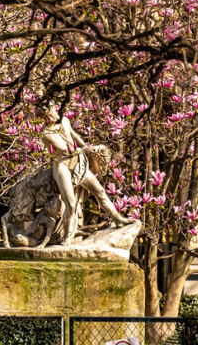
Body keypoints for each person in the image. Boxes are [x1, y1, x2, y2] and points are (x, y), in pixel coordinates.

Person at [40, 104, 133, 246]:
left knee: (100, 191)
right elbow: (65, 150)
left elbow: (74, 136)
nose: (51, 112)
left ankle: (118, 219)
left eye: (51, 108)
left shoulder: (64, 120)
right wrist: (87, 151)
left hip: (78, 163)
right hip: (62, 166)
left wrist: (86, 147)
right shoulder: (46, 133)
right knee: (70, 204)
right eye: (48, 110)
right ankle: (66, 239)